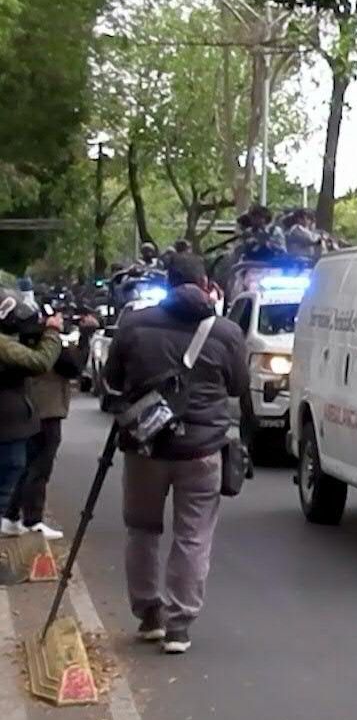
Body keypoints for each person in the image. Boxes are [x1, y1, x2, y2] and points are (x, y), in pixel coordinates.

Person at [102, 254, 247, 655]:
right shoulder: (227, 331)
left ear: (168, 282)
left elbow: (112, 379)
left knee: (143, 529)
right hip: (201, 450)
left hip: (146, 446)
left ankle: (149, 614)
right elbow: (238, 386)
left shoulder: (134, 324)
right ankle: (179, 626)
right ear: (206, 284)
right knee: (193, 535)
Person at [2, 308, 94, 539]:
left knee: (24, 466)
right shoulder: (41, 342)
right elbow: (72, 365)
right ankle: (32, 519)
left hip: (31, 409)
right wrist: (82, 336)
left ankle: (12, 515)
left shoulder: (21, 341)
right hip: (44, 409)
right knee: (39, 466)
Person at [0, 292, 65, 543]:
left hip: (13, 423)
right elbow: (39, 361)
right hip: (9, 425)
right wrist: (50, 333)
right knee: (10, 478)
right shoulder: (4, 345)